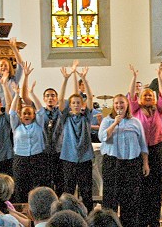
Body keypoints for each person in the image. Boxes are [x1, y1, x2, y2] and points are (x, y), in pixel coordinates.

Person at [98, 94, 149, 226]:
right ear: (113, 105)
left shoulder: (135, 122)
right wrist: (115, 123)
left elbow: (142, 144)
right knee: (110, 197)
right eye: (116, 103)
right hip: (112, 163)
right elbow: (102, 137)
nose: (119, 105)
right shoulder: (107, 121)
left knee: (131, 198)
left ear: (127, 105)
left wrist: (145, 163)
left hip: (131, 163)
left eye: (122, 103)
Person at [128, 60, 162, 227]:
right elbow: (131, 95)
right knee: (141, 185)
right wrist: (134, 77)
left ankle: (154, 219)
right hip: (139, 151)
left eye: (151, 95)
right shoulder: (135, 110)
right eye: (145, 95)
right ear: (140, 99)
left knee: (156, 185)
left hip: (157, 150)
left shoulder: (159, 109)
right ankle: (141, 219)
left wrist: (160, 76)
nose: (149, 97)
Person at [5, 62, 47, 203]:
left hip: (37, 158)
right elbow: (11, 112)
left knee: (38, 187)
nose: (27, 115)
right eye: (24, 113)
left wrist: (32, 94)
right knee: (21, 187)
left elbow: (41, 110)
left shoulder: (39, 125)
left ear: (33, 115)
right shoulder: (16, 126)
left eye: (29, 113)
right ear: (21, 116)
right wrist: (16, 95)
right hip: (20, 159)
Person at [57, 66, 95, 213]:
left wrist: (84, 79)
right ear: (70, 105)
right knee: (68, 191)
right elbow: (60, 99)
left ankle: (89, 216)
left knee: (86, 191)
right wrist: (66, 79)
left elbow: (91, 98)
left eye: (78, 103)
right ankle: (68, 215)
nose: (76, 105)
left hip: (84, 158)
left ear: (82, 105)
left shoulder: (86, 117)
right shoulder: (66, 117)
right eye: (73, 103)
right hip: (69, 158)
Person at [0, 25, 24, 107]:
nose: (3, 67)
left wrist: (14, 49)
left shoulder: (14, 80)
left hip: (11, 109)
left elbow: (20, 66)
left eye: (5, 65)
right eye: (1, 65)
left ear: (9, 67)